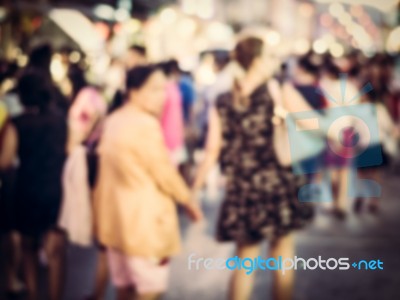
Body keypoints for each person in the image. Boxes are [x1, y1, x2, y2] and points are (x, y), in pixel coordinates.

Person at [192, 37, 313, 300]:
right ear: (257, 61)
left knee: (245, 259)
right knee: (281, 253)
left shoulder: (224, 100)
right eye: (269, 57)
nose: (273, 63)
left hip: (241, 187)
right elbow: (311, 123)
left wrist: (195, 188)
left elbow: (212, 149)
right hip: (276, 184)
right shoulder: (277, 89)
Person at [93, 65, 202, 300]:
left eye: (163, 89)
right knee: (148, 289)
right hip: (144, 224)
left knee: (125, 287)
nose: (162, 96)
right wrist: (188, 200)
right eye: (154, 90)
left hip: (116, 222)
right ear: (134, 91)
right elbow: (163, 171)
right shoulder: (145, 125)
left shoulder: (114, 120)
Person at [2, 70, 68, 300]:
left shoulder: (18, 124)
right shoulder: (60, 120)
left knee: (29, 248)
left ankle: (32, 295)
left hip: (26, 189)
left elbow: (5, 161)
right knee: (56, 254)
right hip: (55, 188)